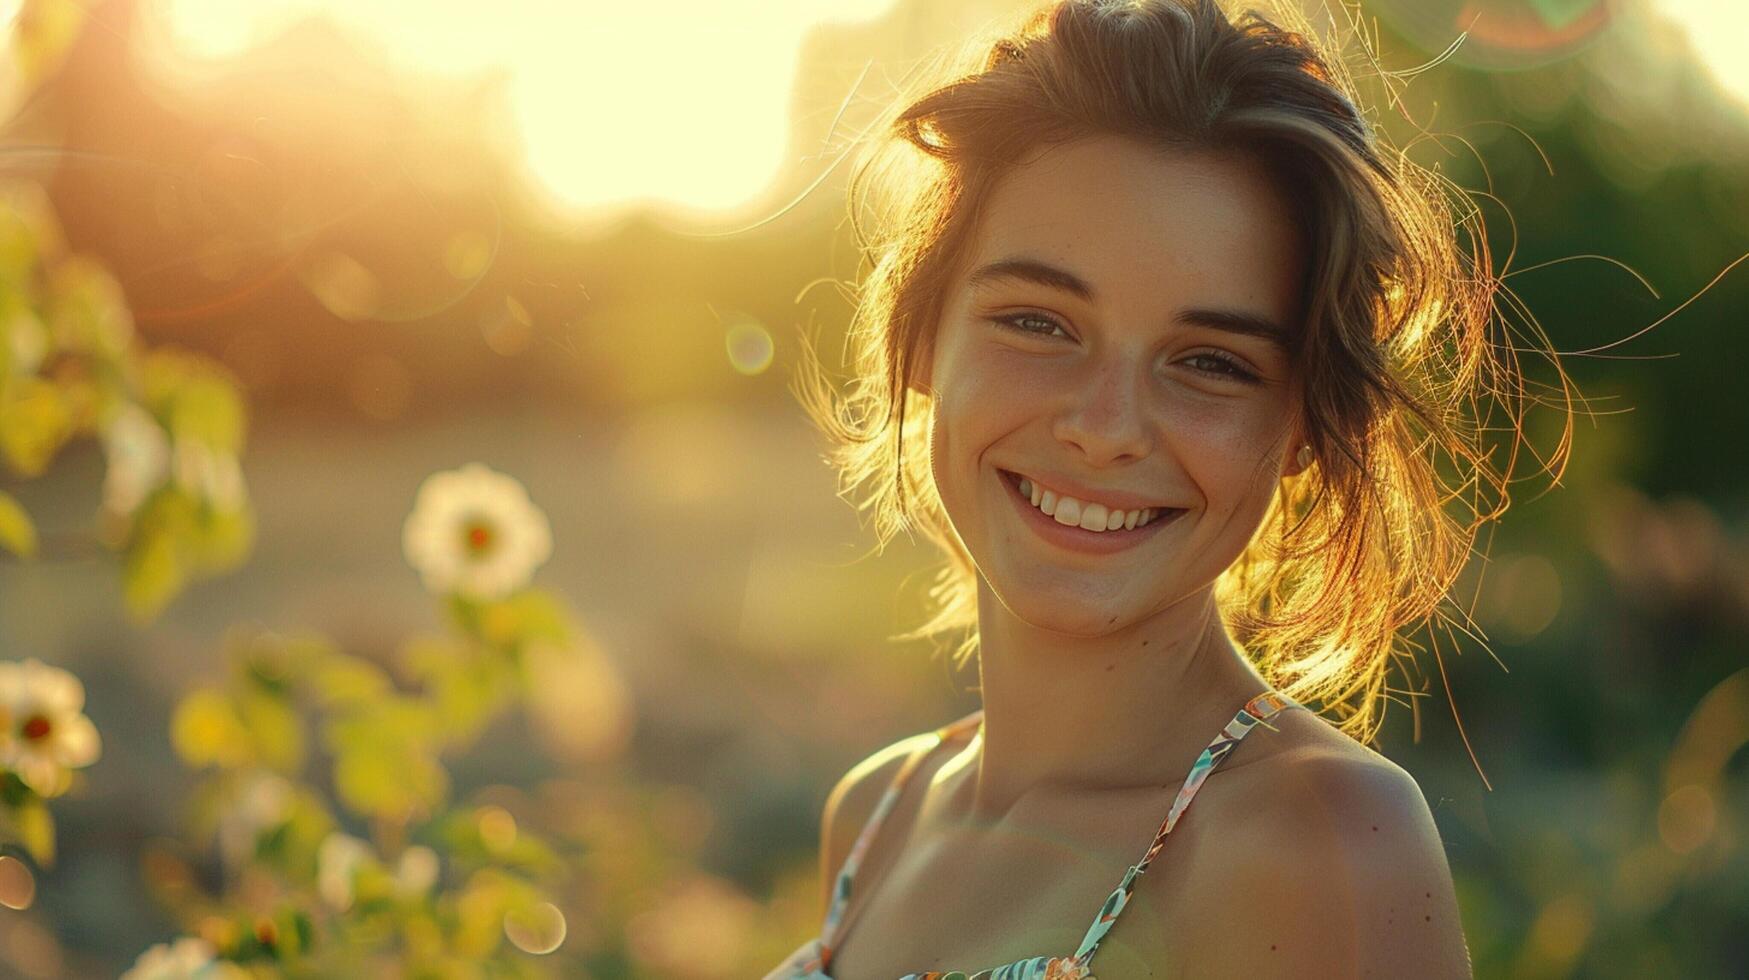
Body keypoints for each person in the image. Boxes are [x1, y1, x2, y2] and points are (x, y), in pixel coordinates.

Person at [771, 0, 1554, 975]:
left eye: (1210, 362)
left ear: (1302, 425)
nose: (1104, 428)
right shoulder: (878, 812)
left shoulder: (1324, 840)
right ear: (925, 331)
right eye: (1039, 323)